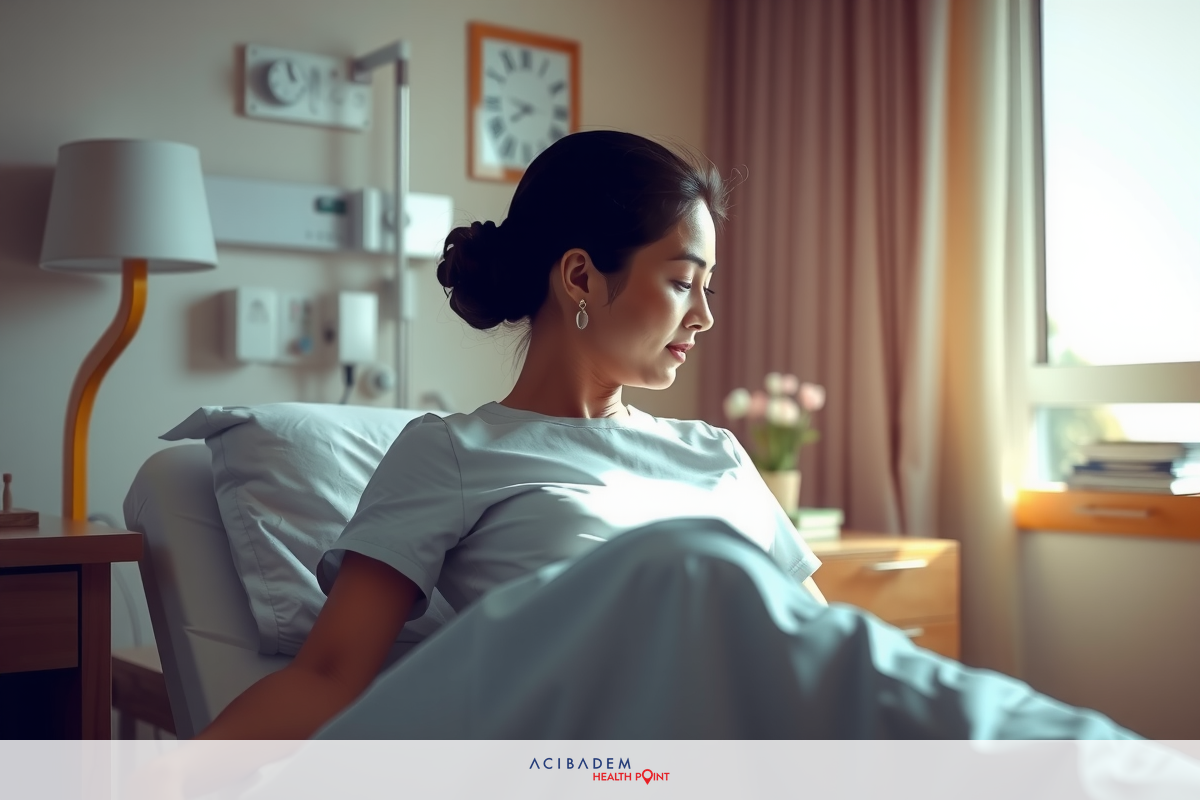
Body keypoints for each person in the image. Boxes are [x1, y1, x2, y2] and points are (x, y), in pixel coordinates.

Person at [195, 130, 826, 740]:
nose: (706, 315)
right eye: (684, 283)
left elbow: (823, 645)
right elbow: (327, 678)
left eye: (707, 287)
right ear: (580, 278)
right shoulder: (456, 455)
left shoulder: (716, 453)